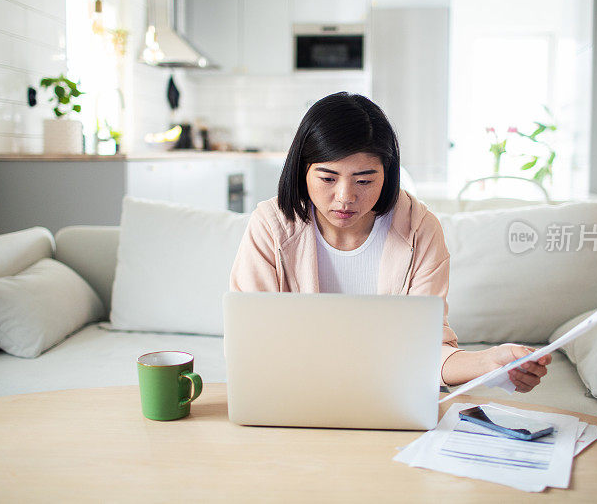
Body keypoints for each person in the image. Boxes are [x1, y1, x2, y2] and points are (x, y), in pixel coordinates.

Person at [229, 92, 550, 390]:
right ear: (302, 171)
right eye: (328, 178)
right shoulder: (271, 227)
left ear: (388, 174)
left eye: (365, 180)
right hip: (294, 391)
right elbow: (250, 340)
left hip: (391, 394)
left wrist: (489, 363)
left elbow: (427, 351)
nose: (345, 197)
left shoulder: (419, 229)